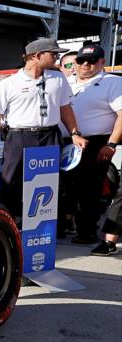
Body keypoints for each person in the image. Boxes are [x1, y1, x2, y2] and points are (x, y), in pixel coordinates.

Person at [0, 37, 87, 220]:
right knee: (11, 180)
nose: (57, 57)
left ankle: (49, 223)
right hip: (19, 136)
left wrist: (74, 133)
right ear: (37, 56)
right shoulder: (9, 83)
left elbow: (65, 108)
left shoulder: (58, 78)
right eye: (53, 54)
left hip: (50, 134)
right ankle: (8, 220)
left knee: (52, 179)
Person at [64, 43, 122, 248]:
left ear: (102, 62)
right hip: (66, 141)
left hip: (95, 141)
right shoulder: (66, 81)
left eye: (92, 60)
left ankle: (86, 231)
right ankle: (63, 225)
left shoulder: (112, 82)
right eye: (81, 60)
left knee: (89, 189)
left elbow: (121, 116)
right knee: (65, 188)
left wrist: (111, 143)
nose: (85, 65)